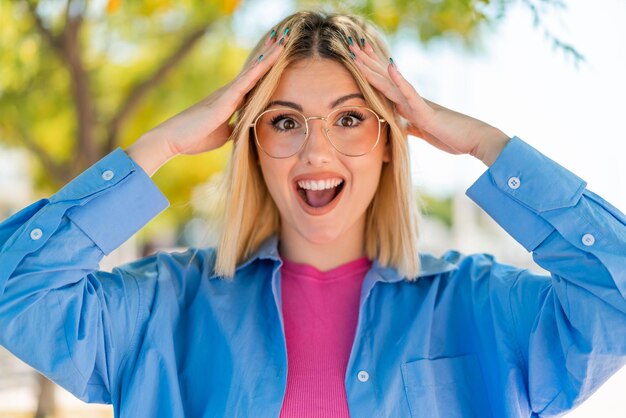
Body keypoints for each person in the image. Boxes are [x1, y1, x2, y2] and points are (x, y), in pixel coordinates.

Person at [0, 8, 625, 418]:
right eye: (284, 121)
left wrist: (483, 143)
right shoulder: (167, 308)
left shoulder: (475, 302)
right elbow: (15, 290)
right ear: (252, 142)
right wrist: (161, 144)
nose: (315, 150)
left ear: (389, 141)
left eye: (350, 118)